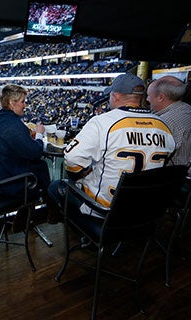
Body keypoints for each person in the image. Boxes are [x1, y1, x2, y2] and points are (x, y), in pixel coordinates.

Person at [47, 73, 176, 218]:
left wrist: (82, 173)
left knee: (55, 186)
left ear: (115, 96)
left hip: (105, 210)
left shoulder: (103, 122)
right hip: (145, 209)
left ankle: (72, 231)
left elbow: (72, 160)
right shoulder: (163, 126)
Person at [0, 84, 53, 231]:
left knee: (38, 168)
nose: (25, 105)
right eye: (23, 101)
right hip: (0, 185)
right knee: (40, 167)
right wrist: (39, 134)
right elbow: (35, 152)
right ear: (12, 103)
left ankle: (36, 214)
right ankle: (49, 209)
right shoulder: (12, 125)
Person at [147, 76, 191, 178]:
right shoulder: (187, 108)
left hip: (177, 180)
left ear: (161, 97)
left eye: (149, 95)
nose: (147, 99)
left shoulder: (163, 122)